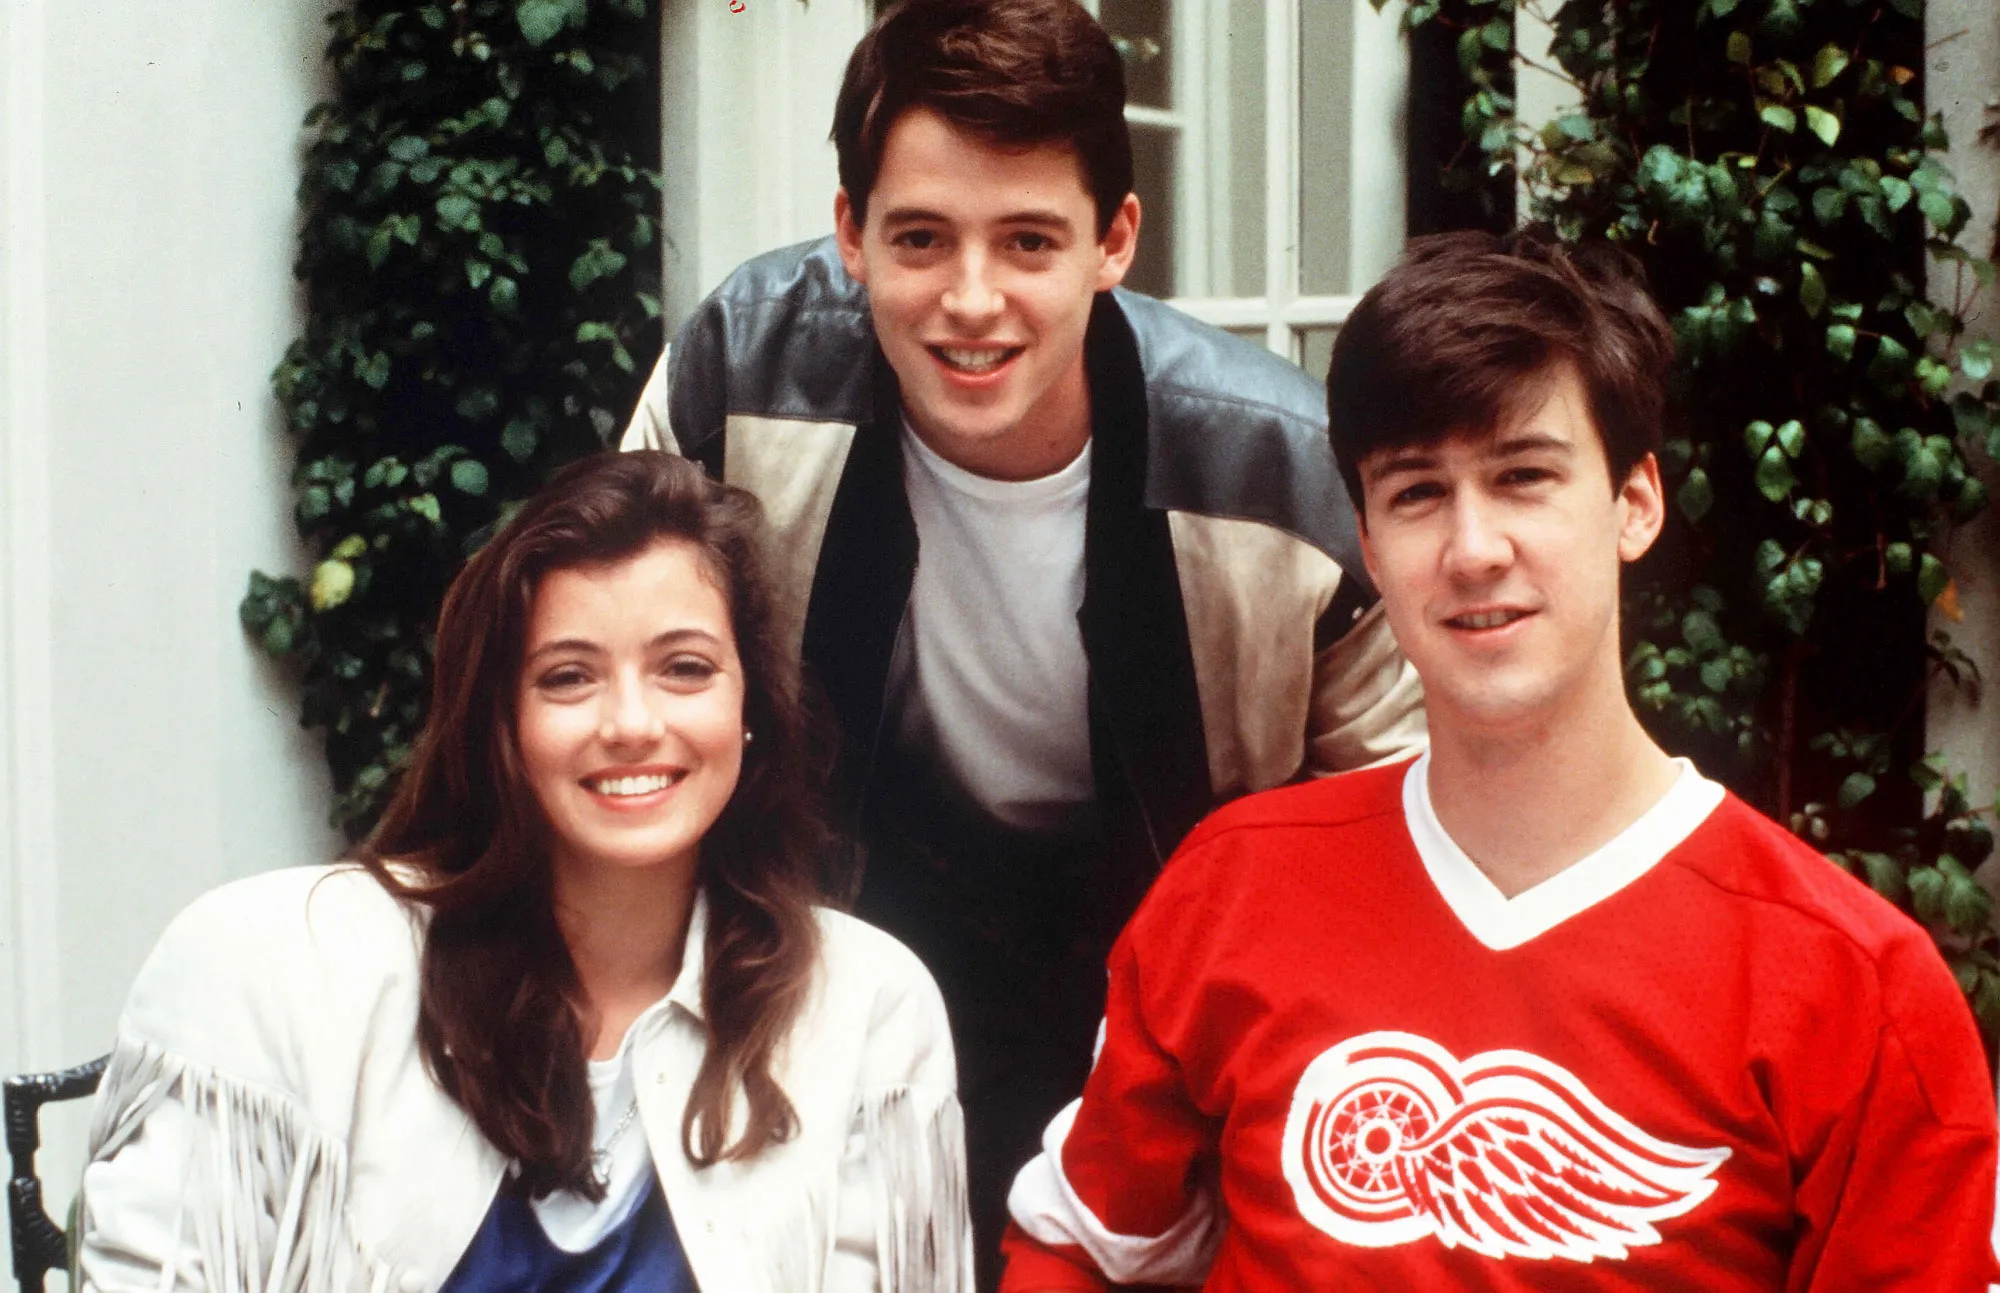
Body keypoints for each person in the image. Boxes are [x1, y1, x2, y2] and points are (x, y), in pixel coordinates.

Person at [999, 230, 2000, 1289]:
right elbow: (1075, 1248)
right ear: (1370, 548)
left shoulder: (1853, 988)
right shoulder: (1230, 888)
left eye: (1523, 476)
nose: (1471, 549)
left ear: (1633, 503)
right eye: (1417, 493)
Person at [618, 0, 1425, 1264]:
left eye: (1029, 241)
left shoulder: (1283, 470)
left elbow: (1392, 837)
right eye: (922, 238)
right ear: (849, 235)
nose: (971, 302)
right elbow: (618, 683)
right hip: (837, 899)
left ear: (1114, 242)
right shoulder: (736, 368)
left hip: (1154, 941)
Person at [75, 452, 972, 1292]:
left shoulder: (864, 1010)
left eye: (685, 668)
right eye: (569, 677)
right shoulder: (273, 970)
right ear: (500, 722)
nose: (630, 721)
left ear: (750, 711)